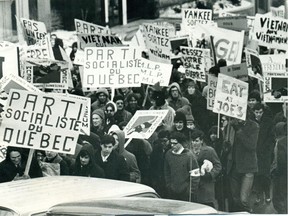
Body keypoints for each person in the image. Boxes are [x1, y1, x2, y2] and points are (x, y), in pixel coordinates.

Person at [228, 115, 259, 213]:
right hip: (234, 166)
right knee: (235, 199)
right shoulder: (231, 125)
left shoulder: (254, 126)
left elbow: (251, 145)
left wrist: (239, 131)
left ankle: (248, 212)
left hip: (248, 167)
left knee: (243, 199)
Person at [164, 131, 200, 202]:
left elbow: (195, 175)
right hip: (172, 192)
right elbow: (166, 171)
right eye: (171, 143)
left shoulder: (189, 156)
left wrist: (189, 191)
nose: (172, 145)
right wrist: (169, 186)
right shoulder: (168, 154)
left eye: (175, 143)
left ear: (181, 143)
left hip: (185, 194)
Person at [191, 129, 222, 208]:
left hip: (206, 185)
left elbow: (218, 165)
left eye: (197, 141)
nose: (194, 143)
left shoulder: (209, 150)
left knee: (207, 206)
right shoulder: (189, 152)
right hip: (194, 185)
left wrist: (210, 174)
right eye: (193, 141)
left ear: (201, 141)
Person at [252, 103, 275, 204]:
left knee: (265, 175)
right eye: (256, 112)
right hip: (254, 153)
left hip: (265, 153)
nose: (258, 114)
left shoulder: (268, 122)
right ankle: (258, 195)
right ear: (253, 112)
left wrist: (267, 150)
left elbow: (271, 138)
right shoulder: (251, 123)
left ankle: (267, 195)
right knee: (257, 175)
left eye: (260, 112)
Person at [271, 122, 287, 214]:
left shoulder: (279, 142)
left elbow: (280, 161)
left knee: (278, 198)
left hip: (281, 175)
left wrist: (275, 172)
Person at [150, 129, 171, 198]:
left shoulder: (171, 151)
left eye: (165, 141)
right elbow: (152, 165)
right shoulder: (156, 149)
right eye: (161, 141)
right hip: (158, 180)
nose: (163, 143)